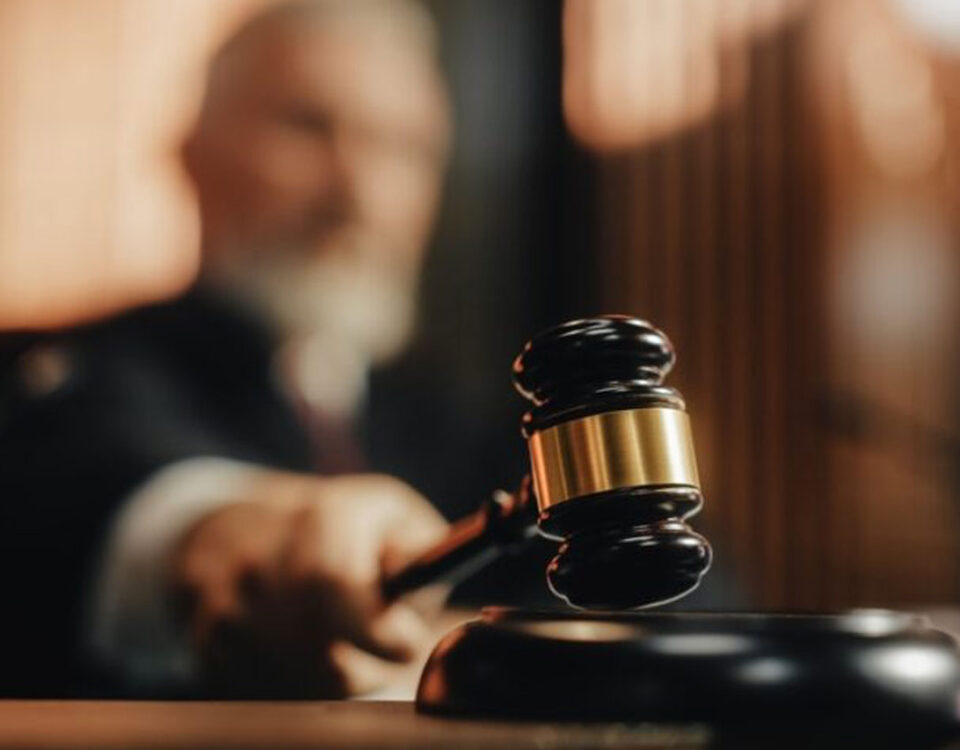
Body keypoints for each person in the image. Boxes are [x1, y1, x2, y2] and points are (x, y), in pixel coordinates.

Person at [0, 0, 452, 698]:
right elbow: (84, 479)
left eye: (401, 147)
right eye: (309, 126)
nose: (358, 192)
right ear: (190, 156)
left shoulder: (476, 434)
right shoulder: (59, 378)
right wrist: (235, 541)